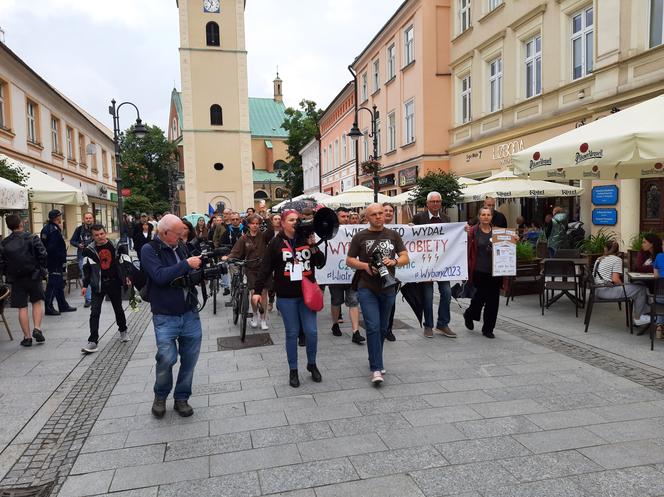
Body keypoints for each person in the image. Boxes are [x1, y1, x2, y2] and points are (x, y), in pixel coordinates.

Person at [253, 209, 326, 388]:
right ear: (283, 223)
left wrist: (314, 246)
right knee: (292, 333)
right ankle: (293, 370)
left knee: (312, 332)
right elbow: (265, 268)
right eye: (291, 220)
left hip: (307, 294)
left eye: (297, 219)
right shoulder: (275, 243)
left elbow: (321, 263)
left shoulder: (305, 238)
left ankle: (312, 363)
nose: (295, 222)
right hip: (286, 296)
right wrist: (257, 291)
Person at [141, 214, 203, 418]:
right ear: (165, 233)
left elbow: (187, 274)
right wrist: (186, 264)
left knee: (189, 359)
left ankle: (182, 398)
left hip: (189, 312)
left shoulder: (181, 247)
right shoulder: (150, 250)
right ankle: (160, 396)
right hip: (165, 315)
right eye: (178, 234)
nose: (182, 237)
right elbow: (159, 276)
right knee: (167, 358)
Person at [346, 203, 409, 384]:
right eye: (374, 214)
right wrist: (365, 266)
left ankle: (375, 358)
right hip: (367, 288)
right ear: (367, 217)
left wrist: (395, 261)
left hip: (388, 288)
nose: (379, 217)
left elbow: (405, 256)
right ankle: (376, 369)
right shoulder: (360, 237)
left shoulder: (393, 235)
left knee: (382, 328)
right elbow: (349, 260)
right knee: (372, 327)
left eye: (381, 213)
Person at [411, 192, 455, 339]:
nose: (436, 204)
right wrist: (410, 228)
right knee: (428, 296)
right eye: (433, 201)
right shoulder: (418, 218)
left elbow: (450, 238)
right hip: (425, 264)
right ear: (427, 203)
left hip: (442, 263)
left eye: (438, 201)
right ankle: (428, 325)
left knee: (447, 293)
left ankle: (442, 324)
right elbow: (412, 239)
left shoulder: (446, 219)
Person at [0, 214, 47, 347]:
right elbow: (43, 254)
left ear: (9, 227)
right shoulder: (32, 238)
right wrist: (40, 267)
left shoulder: (4, 243)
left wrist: (7, 273)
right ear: (21, 224)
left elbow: (1, 263)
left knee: (22, 307)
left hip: (16, 278)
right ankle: (37, 328)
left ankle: (27, 337)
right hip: (34, 275)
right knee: (36, 302)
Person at [80, 224, 129, 353]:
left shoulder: (115, 246)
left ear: (105, 233)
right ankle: (93, 341)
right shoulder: (88, 250)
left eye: (101, 234)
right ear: (92, 236)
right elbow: (86, 269)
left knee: (118, 309)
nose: (100, 237)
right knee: (94, 312)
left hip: (114, 283)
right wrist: (85, 285)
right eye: (96, 235)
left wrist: (127, 277)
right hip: (98, 285)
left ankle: (123, 330)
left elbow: (124, 263)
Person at [463, 206, 507, 339]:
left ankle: (488, 329)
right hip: (478, 271)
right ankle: (469, 314)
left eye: (488, 215)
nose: (486, 217)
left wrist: (514, 239)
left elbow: (507, 245)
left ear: (491, 217)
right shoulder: (473, 231)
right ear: (479, 216)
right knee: (478, 299)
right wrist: (463, 232)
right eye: (483, 215)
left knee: (493, 301)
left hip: (495, 271)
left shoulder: (498, 232)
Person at [223, 214, 272, 330]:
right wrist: (228, 257)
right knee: (254, 293)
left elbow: (271, 230)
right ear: (248, 225)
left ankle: (263, 319)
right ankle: (254, 316)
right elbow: (236, 251)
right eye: (253, 223)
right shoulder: (244, 238)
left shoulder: (264, 236)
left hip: (264, 269)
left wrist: (266, 216)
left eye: (257, 224)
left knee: (264, 294)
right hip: (251, 269)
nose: (255, 226)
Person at [592, 241, 650, 328]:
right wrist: (624, 284)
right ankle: (638, 318)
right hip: (607, 290)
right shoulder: (617, 260)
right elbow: (615, 280)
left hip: (597, 289)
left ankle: (642, 313)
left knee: (635, 287)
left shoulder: (599, 259)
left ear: (605, 249)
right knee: (640, 289)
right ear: (617, 250)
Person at [329, 207, 365, 344]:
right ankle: (335, 323)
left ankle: (356, 331)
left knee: (353, 301)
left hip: (351, 275)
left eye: (346, 216)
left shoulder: (354, 232)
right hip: (335, 275)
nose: (345, 218)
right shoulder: (330, 232)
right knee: (336, 301)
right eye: (342, 216)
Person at [41, 209, 76, 316]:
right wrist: (60, 258)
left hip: (51, 261)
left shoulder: (46, 229)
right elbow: (52, 248)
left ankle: (62, 305)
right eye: (60, 216)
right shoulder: (54, 230)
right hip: (55, 261)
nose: (61, 218)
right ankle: (48, 307)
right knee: (53, 284)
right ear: (57, 217)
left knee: (59, 283)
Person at [70, 212, 95, 308]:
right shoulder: (79, 229)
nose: (88, 220)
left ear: (92, 219)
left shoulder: (96, 228)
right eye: (86, 218)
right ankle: (88, 299)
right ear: (83, 219)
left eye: (90, 218)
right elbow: (72, 241)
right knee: (85, 276)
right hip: (82, 256)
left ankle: (95, 296)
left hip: (94, 256)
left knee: (95, 275)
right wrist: (78, 245)